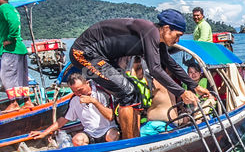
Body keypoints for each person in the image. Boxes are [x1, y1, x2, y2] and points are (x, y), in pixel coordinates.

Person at [69, 10, 213, 139]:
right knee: (127, 91)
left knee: (135, 92)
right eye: (177, 35)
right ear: (167, 28)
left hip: (103, 57)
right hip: (83, 53)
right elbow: (155, 69)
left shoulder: (156, 38)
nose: (177, 40)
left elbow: (171, 64)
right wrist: (181, 92)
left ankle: (135, 138)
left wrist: (194, 86)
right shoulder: (150, 31)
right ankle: (129, 143)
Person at [29, 73, 120, 146]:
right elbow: (63, 120)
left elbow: (110, 116)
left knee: (112, 137)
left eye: (80, 90)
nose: (78, 94)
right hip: (90, 133)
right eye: (74, 91)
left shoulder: (101, 93)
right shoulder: (74, 99)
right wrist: (44, 132)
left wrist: (94, 102)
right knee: (77, 140)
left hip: (108, 129)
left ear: (87, 83)